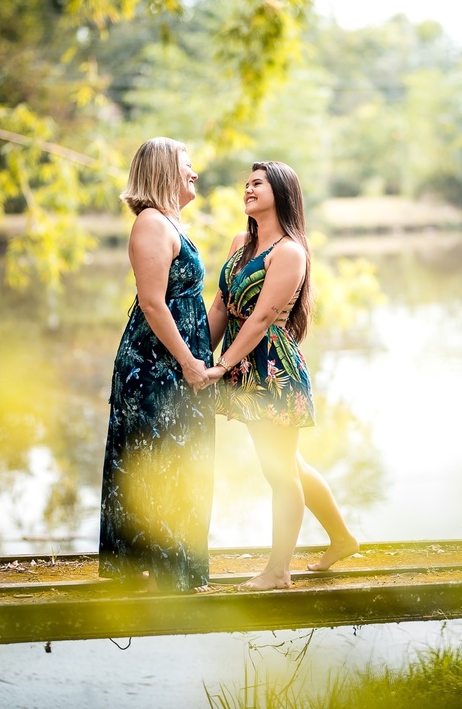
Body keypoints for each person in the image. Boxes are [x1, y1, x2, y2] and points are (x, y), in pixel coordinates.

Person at [208, 161, 359, 591]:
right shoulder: (241, 243)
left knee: (279, 471)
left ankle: (278, 571)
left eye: (258, 183)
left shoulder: (290, 251)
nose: (248, 189)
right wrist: (200, 358)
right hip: (245, 364)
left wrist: (220, 366)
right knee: (289, 463)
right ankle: (343, 538)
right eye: (247, 183)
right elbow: (221, 308)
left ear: (281, 192)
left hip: (273, 371)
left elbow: (260, 320)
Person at [98, 137, 216, 593]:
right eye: (187, 165)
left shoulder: (170, 223)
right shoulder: (151, 223)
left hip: (176, 366)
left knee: (176, 462)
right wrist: (189, 363)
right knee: (154, 463)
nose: (195, 173)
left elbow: (186, 304)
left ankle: (172, 572)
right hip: (152, 368)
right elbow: (152, 304)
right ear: (165, 171)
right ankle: (148, 573)